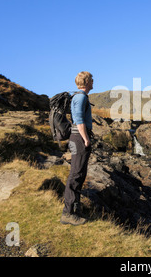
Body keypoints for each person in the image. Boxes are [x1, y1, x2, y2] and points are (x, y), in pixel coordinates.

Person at [60, 71, 94, 226]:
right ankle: (67, 213)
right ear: (86, 82)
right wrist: (86, 139)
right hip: (79, 138)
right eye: (92, 80)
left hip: (77, 137)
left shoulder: (78, 96)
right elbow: (79, 120)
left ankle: (75, 209)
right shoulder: (80, 97)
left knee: (79, 174)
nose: (93, 82)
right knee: (76, 174)